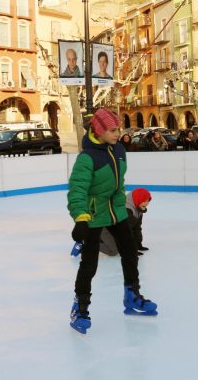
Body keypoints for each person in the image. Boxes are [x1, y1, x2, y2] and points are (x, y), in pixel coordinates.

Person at [67, 108, 157, 334]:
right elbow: (77, 190)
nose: (119, 133)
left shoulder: (118, 149)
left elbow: (119, 184)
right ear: (99, 130)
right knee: (89, 263)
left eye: (119, 129)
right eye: (113, 130)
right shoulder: (87, 158)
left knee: (129, 252)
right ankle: (80, 307)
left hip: (116, 211)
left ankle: (132, 297)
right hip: (94, 214)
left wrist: (121, 208)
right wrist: (80, 218)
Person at [99, 188, 152, 256]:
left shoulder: (138, 209)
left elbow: (137, 228)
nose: (147, 204)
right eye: (144, 201)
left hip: (114, 231)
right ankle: (88, 244)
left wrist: (138, 244)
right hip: (103, 228)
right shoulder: (126, 210)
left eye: (148, 201)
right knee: (113, 251)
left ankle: (101, 240)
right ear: (137, 199)